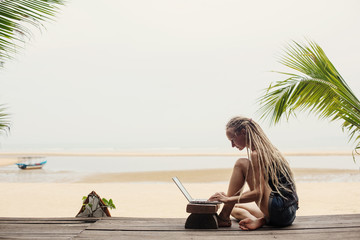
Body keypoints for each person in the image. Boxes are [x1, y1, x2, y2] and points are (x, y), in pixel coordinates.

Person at [208, 116, 299, 230]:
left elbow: (258, 193)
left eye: (233, 139)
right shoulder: (270, 150)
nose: (232, 145)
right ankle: (260, 220)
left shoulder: (257, 154)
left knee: (241, 163)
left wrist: (227, 199)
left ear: (243, 132)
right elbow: (267, 188)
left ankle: (223, 218)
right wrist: (230, 199)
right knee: (234, 208)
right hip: (289, 214)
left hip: (279, 210)